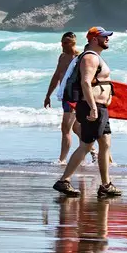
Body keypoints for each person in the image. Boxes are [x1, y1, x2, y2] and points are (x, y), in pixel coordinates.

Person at [54, 27, 121, 200]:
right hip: (93, 107)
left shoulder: (96, 56)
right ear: (93, 39)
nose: (107, 39)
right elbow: (85, 82)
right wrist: (92, 107)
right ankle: (64, 180)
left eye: (107, 37)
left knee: (105, 144)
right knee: (85, 145)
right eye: (103, 37)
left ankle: (106, 185)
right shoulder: (90, 57)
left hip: (99, 107)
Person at [43, 30, 80, 162]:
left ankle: (61, 161)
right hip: (65, 95)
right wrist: (48, 95)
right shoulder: (62, 57)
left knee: (65, 128)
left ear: (73, 42)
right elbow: (56, 76)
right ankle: (93, 151)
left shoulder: (79, 57)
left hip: (74, 97)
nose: (62, 45)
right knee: (76, 128)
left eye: (66, 43)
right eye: (62, 42)